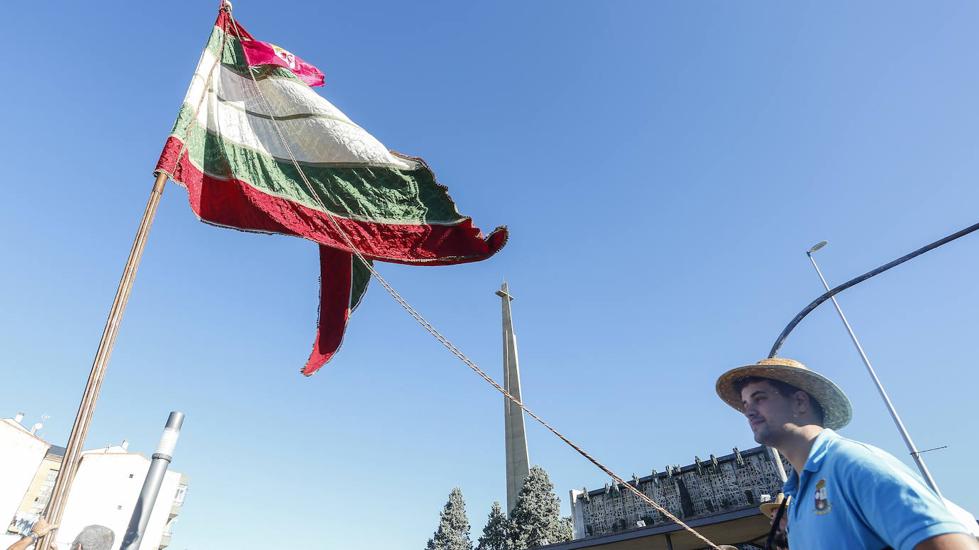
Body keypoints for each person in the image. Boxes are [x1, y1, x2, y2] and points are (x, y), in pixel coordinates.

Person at [716, 357, 978, 550]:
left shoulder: (850, 464)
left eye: (759, 398)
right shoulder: (796, 499)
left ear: (799, 401)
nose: (748, 411)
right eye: (746, 403)